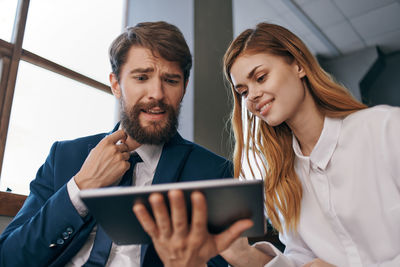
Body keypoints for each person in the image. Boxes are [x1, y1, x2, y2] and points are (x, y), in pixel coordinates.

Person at [132, 22, 400, 267]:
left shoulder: (385, 128)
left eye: (260, 78)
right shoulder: (283, 179)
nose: (253, 97)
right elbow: (302, 259)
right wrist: (243, 255)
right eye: (244, 92)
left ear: (298, 65)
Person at [0, 21, 247, 267]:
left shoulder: (215, 173)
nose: (157, 94)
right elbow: (9, 258)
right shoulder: (64, 156)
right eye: (142, 77)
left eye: (171, 81)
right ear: (116, 84)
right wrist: (81, 186)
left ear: (184, 88)